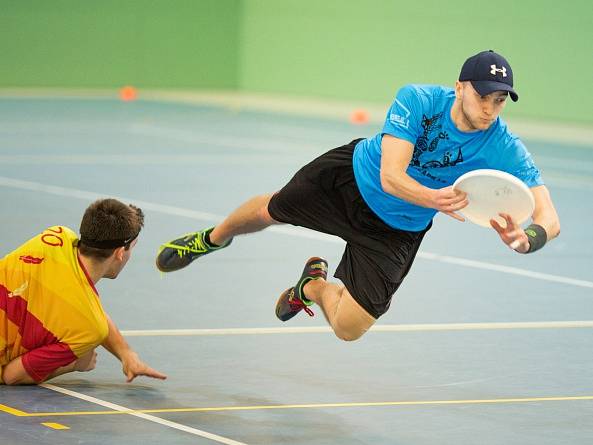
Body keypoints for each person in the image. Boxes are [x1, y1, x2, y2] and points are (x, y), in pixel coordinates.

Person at [155, 50, 560, 341]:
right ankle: (211, 239)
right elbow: (391, 176)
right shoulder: (419, 100)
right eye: (482, 95)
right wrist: (435, 199)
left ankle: (310, 286)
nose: (490, 108)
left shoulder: (503, 144)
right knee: (270, 210)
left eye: (499, 99)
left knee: (349, 328)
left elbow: (549, 217)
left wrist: (528, 240)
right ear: (459, 87)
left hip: (397, 227)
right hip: (350, 180)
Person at [0, 198, 167, 385]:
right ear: (120, 253)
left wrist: (126, 353)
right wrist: (75, 364)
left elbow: (86, 311)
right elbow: (12, 375)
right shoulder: (88, 327)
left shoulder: (55, 237)